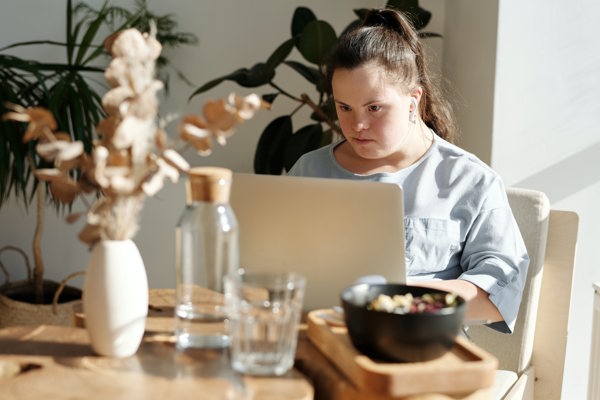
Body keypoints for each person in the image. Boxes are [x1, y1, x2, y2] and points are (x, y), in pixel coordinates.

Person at [288, 8, 529, 334]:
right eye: (344, 107)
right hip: (320, 344)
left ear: (413, 99)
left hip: (419, 352)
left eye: (375, 108)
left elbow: (496, 297)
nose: (357, 125)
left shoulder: (469, 181)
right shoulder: (309, 170)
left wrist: (393, 297)